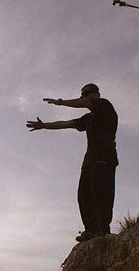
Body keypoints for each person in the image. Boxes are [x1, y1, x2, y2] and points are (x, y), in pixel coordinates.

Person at [26, 83, 118, 242]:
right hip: (90, 158)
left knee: (101, 192)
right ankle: (91, 230)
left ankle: (103, 230)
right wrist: (44, 126)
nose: (85, 97)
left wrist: (60, 102)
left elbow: (84, 103)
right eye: (84, 95)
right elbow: (66, 124)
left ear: (96, 94)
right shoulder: (88, 118)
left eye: (88, 94)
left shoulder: (104, 105)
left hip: (104, 156)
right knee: (84, 195)